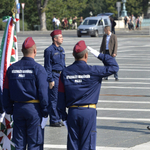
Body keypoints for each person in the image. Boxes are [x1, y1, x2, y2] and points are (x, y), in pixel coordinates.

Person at [57, 40, 119, 150]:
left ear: (73, 55)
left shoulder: (65, 72)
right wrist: (100, 55)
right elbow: (114, 67)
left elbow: (60, 97)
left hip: (72, 113)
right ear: (86, 55)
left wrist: (64, 117)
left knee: (73, 146)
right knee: (88, 145)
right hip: (88, 112)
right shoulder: (94, 70)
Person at [3, 37, 48, 149]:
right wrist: (45, 111)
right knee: (35, 143)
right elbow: (43, 93)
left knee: (19, 143)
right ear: (35, 51)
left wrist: (9, 110)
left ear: (22, 51)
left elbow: (6, 91)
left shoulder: (12, 69)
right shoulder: (38, 69)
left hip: (18, 108)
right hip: (34, 109)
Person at [44, 30, 65, 127]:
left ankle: (59, 117)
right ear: (55, 39)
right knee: (53, 99)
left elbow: (63, 65)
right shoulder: (49, 50)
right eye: (60, 37)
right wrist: (50, 79)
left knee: (60, 98)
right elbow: (47, 66)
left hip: (61, 76)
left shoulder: (61, 49)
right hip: (54, 76)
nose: (62, 38)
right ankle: (54, 120)